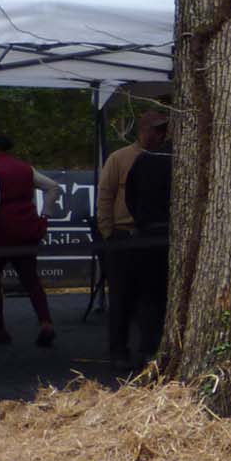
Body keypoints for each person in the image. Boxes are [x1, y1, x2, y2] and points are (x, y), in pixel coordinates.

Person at [0, 134, 63, 346]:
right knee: (31, 280)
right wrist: (45, 215)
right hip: (26, 231)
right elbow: (53, 187)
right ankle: (46, 323)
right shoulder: (25, 168)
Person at [96, 110, 165, 368]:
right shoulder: (120, 158)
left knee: (152, 297)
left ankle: (148, 349)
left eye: (162, 130)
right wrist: (107, 232)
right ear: (143, 130)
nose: (159, 135)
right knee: (121, 297)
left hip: (152, 237)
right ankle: (118, 351)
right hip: (123, 235)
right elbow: (105, 194)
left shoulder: (165, 158)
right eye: (155, 129)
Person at [117, 114, 172, 370]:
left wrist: (140, 219)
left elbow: (129, 195)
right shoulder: (173, 160)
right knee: (159, 294)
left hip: (147, 234)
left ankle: (148, 349)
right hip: (164, 235)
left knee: (148, 296)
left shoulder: (144, 160)